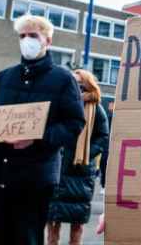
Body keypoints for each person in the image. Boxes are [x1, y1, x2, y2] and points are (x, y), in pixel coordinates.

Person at [0, 14, 86, 245]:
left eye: (33, 35)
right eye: (22, 36)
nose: (27, 40)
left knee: (27, 238)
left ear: (48, 41)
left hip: (35, 178)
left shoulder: (63, 79)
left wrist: (38, 138)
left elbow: (74, 123)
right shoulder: (3, 77)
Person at [46, 69, 109, 245]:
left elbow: (103, 136)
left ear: (88, 86)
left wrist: (86, 154)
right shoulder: (60, 104)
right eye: (73, 83)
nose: (76, 88)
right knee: (52, 219)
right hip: (58, 166)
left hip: (81, 170)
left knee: (77, 221)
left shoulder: (96, 109)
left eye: (80, 84)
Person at [98, 100, 114, 194]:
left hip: (113, 144)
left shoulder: (115, 118)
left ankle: (107, 185)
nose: (110, 106)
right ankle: (104, 184)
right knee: (104, 163)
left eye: (112, 104)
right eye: (110, 104)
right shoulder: (107, 117)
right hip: (106, 145)